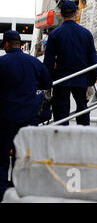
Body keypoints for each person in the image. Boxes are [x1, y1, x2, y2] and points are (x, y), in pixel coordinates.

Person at [0, 31, 52, 201]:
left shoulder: (2, 62)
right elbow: (47, 83)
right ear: (19, 43)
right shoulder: (34, 62)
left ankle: (2, 191)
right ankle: (19, 189)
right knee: (21, 154)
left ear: (7, 44)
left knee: (2, 157)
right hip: (29, 116)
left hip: (5, 116)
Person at [44, 0, 97, 126]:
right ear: (76, 13)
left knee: (61, 113)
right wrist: (91, 80)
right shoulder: (86, 34)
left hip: (61, 79)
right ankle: (82, 136)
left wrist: (47, 83)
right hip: (81, 78)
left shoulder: (54, 34)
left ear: (61, 14)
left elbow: (49, 61)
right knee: (82, 110)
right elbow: (93, 59)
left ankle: (62, 138)